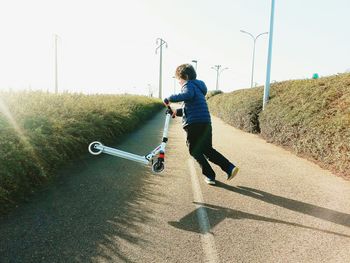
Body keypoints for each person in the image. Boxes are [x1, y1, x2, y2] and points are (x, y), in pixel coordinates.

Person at [163, 64, 239, 185]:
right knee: (207, 149)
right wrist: (175, 112)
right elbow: (188, 109)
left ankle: (209, 174)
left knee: (194, 150)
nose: (179, 83)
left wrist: (170, 98)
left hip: (193, 124)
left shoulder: (188, 85)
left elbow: (187, 95)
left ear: (186, 77)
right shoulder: (198, 88)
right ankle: (229, 167)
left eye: (179, 79)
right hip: (205, 123)